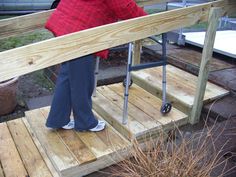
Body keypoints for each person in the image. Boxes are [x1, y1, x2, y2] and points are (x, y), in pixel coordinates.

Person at [45, 0, 147, 132]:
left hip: (69, 24)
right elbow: (123, 5)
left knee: (68, 75)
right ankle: (85, 122)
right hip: (80, 31)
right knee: (82, 80)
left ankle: (58, 119)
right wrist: (148, 20)